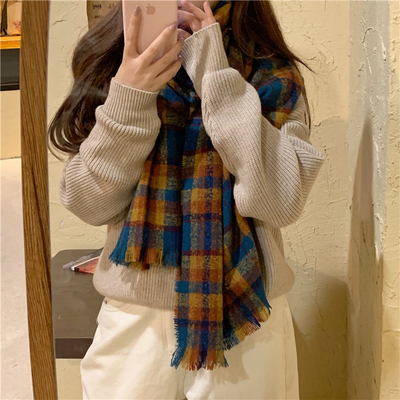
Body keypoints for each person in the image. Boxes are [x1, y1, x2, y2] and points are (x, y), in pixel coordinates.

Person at [48, 0, 325, 398]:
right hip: (133, 321)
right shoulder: (115, 61)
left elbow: (280, 200)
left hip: (246, 314)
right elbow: (88, 203)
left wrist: (216, 77)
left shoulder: (272, 74)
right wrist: (129, 96)